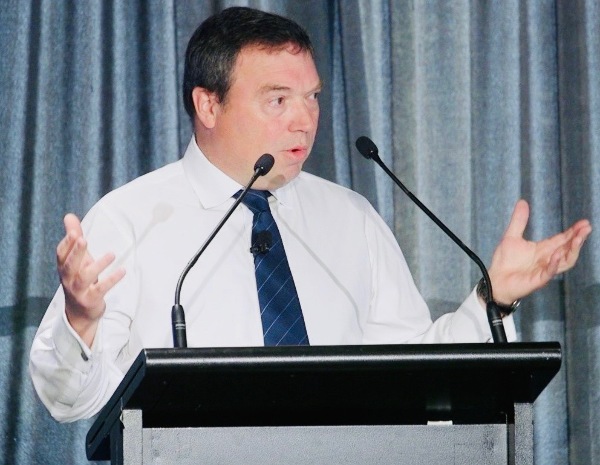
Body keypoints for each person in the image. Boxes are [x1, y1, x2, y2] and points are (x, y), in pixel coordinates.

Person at [29, 7, 591, 423]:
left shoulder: (350, 218)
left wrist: (493, 300)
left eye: (313, 97)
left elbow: (416, 373)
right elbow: (70, 400)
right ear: (208, 104)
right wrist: (81, 322)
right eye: (278, 100)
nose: (304, 121)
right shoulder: (131, 218)